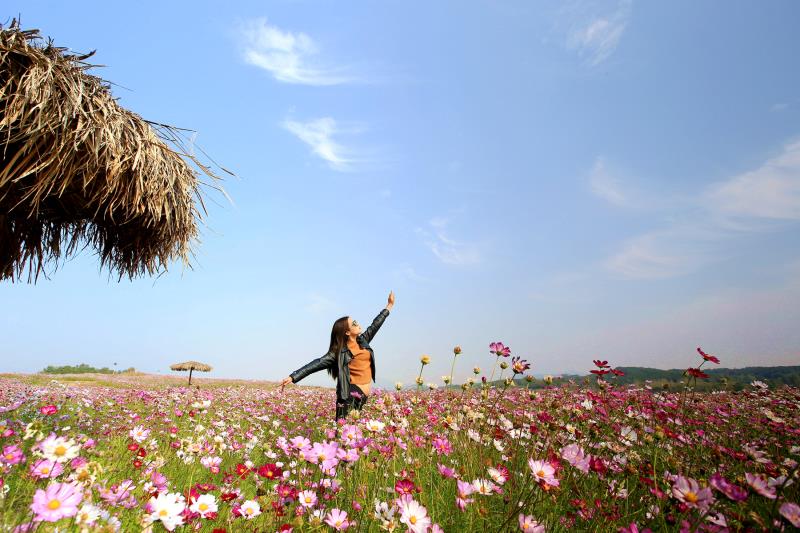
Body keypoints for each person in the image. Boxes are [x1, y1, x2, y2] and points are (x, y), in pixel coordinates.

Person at [280, 291, 395, 421]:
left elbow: (375, 325)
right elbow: (315, 364)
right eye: (354, 324)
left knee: (353, 434)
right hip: (348, 396)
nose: (357, 324)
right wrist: (293, 376)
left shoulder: (363, 340)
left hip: (362, 396)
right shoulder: (337, 353)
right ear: (347, 332)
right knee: (341, 434)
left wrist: (389, 305)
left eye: (355, 321)